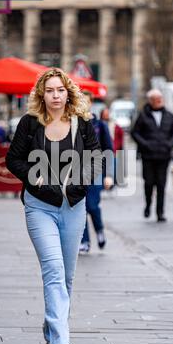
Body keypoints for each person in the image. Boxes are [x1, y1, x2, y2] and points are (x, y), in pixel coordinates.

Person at [6, 68, 103, 344]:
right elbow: (13, 159)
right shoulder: (30, 123)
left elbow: (96, 160)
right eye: (50, 90)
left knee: (68, 276)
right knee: (54, 270)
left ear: (68, 92)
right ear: (41, 94)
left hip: (73, 207)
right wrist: (34, 177)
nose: (56, 95)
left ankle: (52, 328)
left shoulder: (83, 123)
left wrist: (79, 187)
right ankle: (61, 338)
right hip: (39, 207)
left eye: (60, 90)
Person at [131, 89, 173, 222]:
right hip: (148, 156)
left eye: (160, 99)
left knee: (161, 185)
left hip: (164, 156)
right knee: (149, 183)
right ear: (150, 101)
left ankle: (160, 212)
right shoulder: (143, 116)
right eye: (156, 99)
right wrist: (145, 144)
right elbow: (135, 132)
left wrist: (169, 144)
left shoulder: (169, 115)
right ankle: (148, 205)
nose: (159, 102)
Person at [79, 93, 114, 254]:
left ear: (91, 103)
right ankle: (84, 241)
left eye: (85, 101)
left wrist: (109, 175)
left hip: (96, 171)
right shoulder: (73, 123)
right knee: (80, 208)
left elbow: (108, 151)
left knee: (92, 206)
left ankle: (99, 229)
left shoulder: (100, 125)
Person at [101, 107, 125, 186]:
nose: (106, 116)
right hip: (102, 151)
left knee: (114, 167)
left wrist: (119, 148)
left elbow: (120, 138)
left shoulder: (115, 126)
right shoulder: (99, 125)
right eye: (105, 114)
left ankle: (113, 182)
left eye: (107, 114)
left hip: (114, 150)